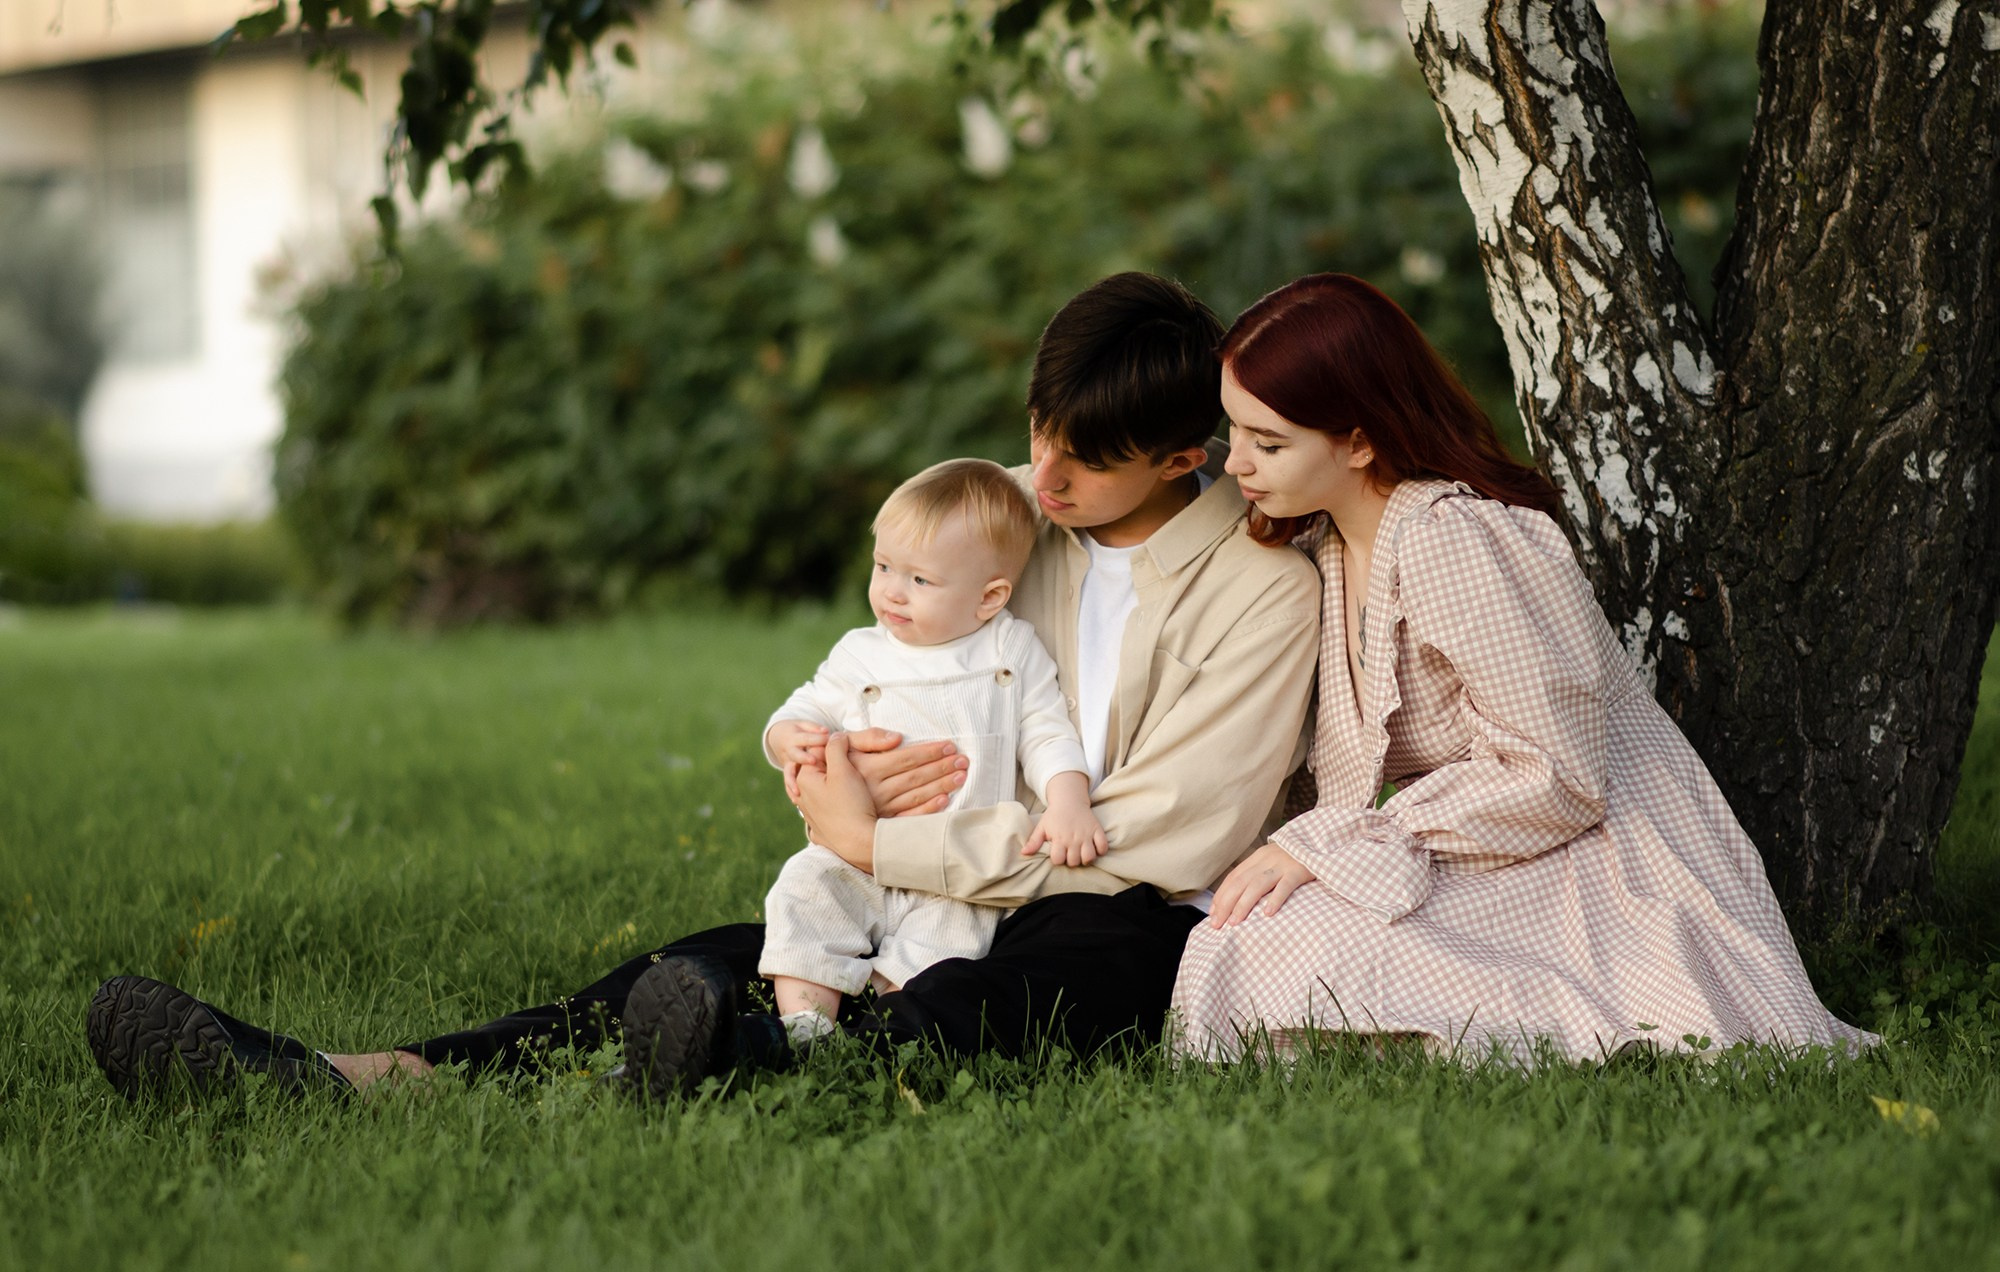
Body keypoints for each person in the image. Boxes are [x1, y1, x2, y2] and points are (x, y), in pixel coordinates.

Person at [86, 272, 1322, 1103]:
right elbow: (877, 670)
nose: (1040, 475)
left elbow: (1174, 834)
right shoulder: (1004, 517)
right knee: (720, 951)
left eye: (1083, 462)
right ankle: (354, 1074)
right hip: (937, 864)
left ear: (1181, 456)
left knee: (968, 999)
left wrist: (896, 842)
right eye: (1037, 430)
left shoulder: (1261, 586)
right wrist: (845, 773)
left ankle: (738, 1061)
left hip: (1130, 913)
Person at [1172, 272, 1874, 1064]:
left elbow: (1557, 771)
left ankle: (1488, 1032)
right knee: (1242, 939)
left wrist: (1336, 846)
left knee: (1275, 944)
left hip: (1587, 850)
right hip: (1472, 839)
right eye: (1237, 434)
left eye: (1269, 443)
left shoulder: (1456, 542)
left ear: (1360, 440)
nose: (1238, 467)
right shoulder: (1324, 546)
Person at [759, 457, 1101, 1049]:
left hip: (951, 867)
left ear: (989, 597)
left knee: (946, 948)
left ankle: (884, 1030)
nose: (892, 590)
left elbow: (1047, 732)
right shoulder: (861, 653)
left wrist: (1067, 800)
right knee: (803, 893)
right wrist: (786, 738)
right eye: (884, 565)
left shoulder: (1009, 648)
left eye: (919, 580)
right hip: (852, 850)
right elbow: (804, 708)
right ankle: (804, 1026)